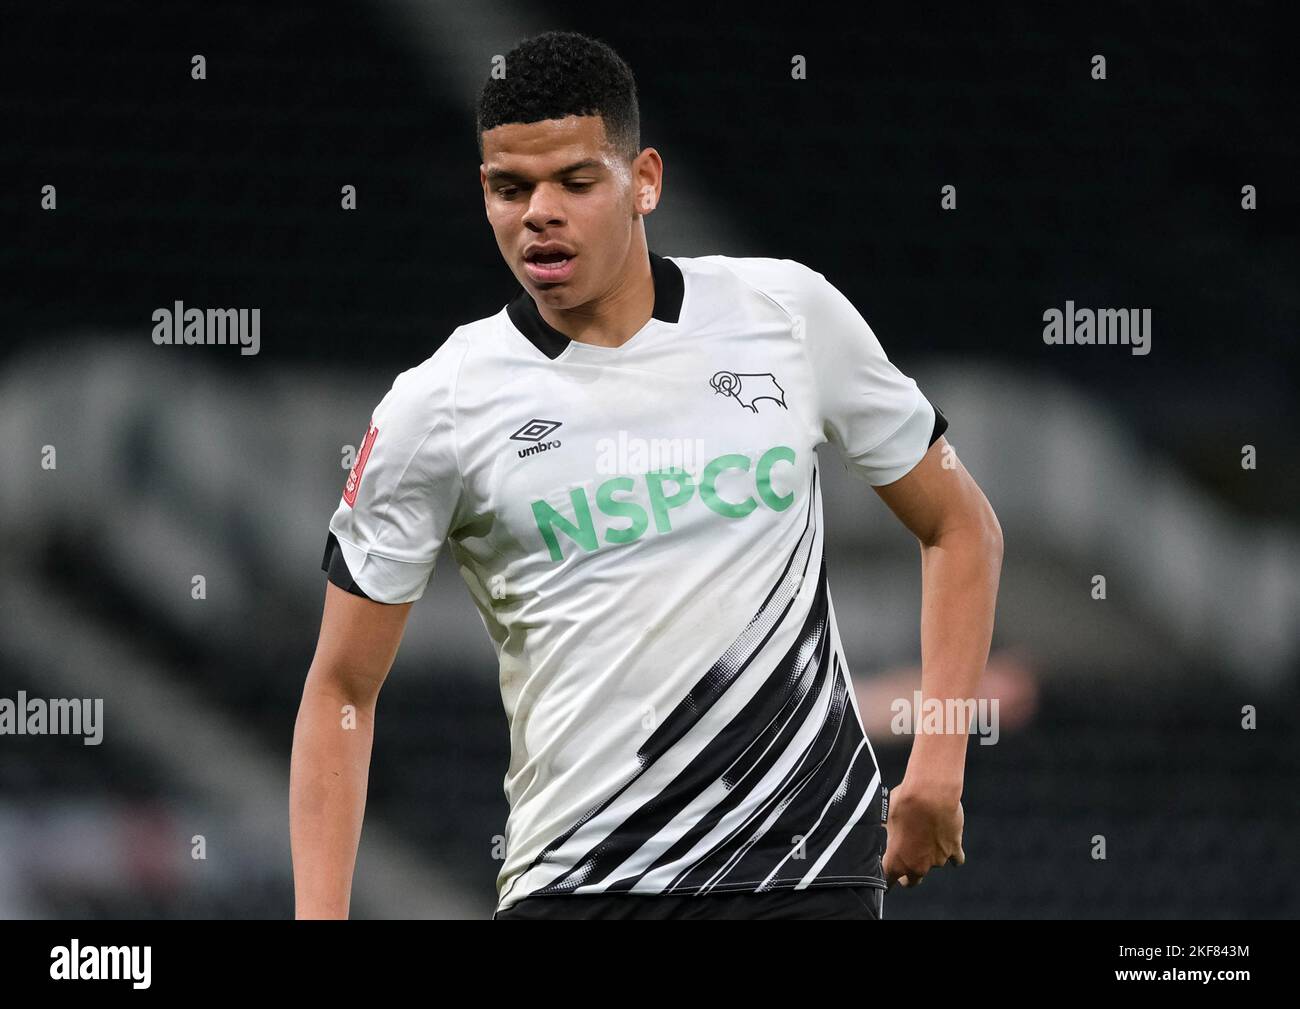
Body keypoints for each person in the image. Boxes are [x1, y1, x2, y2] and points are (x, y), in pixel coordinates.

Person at [290, 30, 1003, 920]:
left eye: (576, 182)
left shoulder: (786, 312)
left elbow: (960, 525)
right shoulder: (437, 404)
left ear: (645, 182)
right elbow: (342, 687)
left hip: (802, 868)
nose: (539, 212)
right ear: (485, 196)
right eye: (511, 188)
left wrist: (937, 763)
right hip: (582, 883)